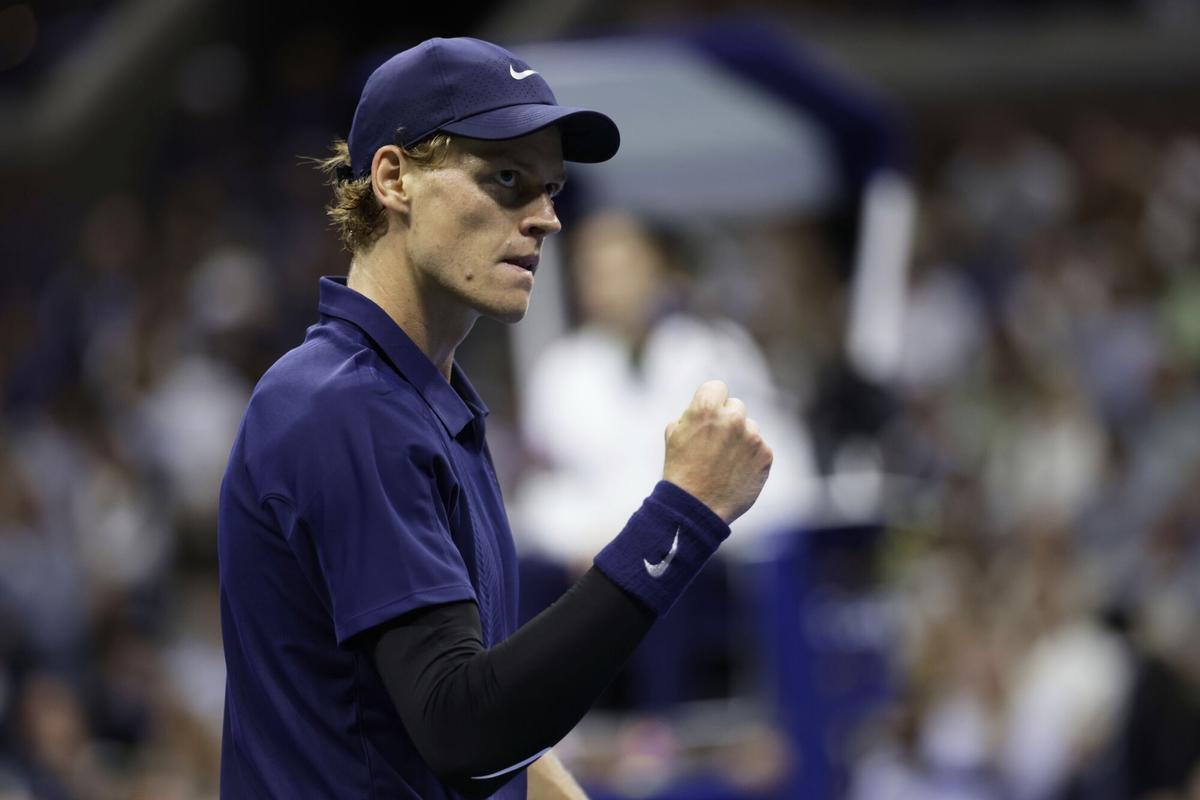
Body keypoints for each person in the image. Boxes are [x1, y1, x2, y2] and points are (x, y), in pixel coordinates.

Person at [217, 37, 773, 800]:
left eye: (551, 189)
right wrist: (684, 512)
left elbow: (467, 704)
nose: (545, 219)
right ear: (393, 178)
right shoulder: (343, 406)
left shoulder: (420, 404)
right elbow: (462, 726)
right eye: (505, 179)